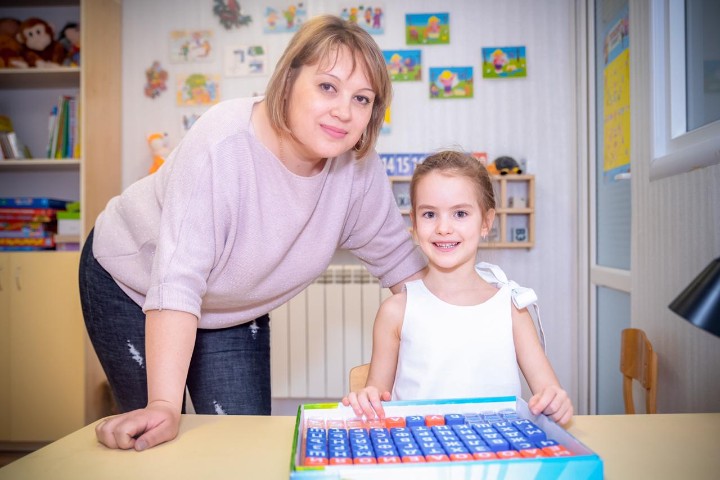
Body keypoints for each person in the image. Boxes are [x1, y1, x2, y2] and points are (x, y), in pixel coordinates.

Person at [79, 14, 426, 452]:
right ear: (287, 80)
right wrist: (166, 403)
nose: (344, 111)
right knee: (157, 434)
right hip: (133, 281)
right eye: (327, 87)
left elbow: (402, 266)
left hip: (231, 305)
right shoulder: (224, 143)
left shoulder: (358, 169)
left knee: (240, 445)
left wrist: (472, 313)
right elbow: (177, 279)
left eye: (362, 98)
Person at [342, 150, 573, 425]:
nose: (443, 228)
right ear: (414, 224)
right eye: (429, 214)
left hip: (497, 457)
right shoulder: (395, 311)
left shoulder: (512, 308)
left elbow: (549, 394)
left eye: (460, 213)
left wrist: (555, 403)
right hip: (421, 454)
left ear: (486, 222)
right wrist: (367, 399)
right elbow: (377, 399)